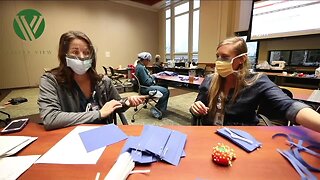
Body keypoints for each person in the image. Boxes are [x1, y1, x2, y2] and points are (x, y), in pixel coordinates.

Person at [190, 36, 320, 133]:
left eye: (224, 57)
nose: (218, 61)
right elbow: (196, 109)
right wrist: (195, 108)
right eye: (217, 56)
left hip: (242, 137)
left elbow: (289, 105)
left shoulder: (256, 81)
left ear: (242, 59)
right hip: (211, 134)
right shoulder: (210, 80)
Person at [38, 31, 145, 130]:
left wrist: (127, 102)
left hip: (103, 134)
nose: (82, 57)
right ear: (64, 55)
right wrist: (99, 113)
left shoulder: (103, 81)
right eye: (75, 52)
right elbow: (50, 118)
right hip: (71, 138)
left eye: (86, 52)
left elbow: (116, 105)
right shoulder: (51, 81)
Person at [135, 52, 170, 119]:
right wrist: (153, 77)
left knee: (165, 86)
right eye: (148, 60)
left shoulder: (139, 66)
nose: (149, 62)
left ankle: (160, 108)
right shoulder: (141, 68)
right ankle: (157, 110)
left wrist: (151, 76)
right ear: (144, 60)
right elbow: (147, 82)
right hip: (145, 88)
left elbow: (145, 78)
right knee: (165, 91)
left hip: (143, 87)